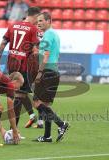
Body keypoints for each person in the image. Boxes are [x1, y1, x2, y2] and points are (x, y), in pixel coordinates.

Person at [0, 7, 41, 128]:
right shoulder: (33, 29)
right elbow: (36, 52)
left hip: (11, 64)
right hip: (24, 66)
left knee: (17, 95)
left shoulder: (12, 26)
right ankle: (13, 131)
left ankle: (15, 129)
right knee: (19, 96)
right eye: (38, 19)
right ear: (36, 16)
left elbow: (1, 46)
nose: (38, 22)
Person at [33, 12, 69, 142]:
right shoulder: (54, 34)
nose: (39, 23)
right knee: (46, 105)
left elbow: (46, 55)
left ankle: (61, 124)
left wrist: (40, 72)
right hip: (53, 72)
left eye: (41, 20)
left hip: (47, 72)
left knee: (36, 102)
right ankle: (47, 136)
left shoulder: (48, 35)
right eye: (38, 21)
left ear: (49, 21)